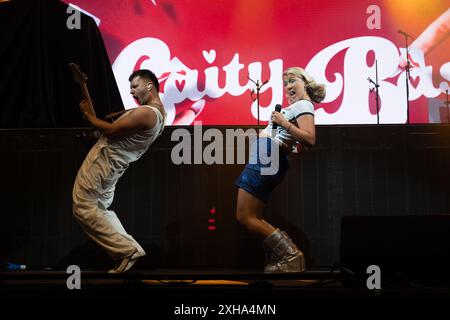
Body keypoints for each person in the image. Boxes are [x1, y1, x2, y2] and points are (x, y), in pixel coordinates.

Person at [72, 69, 166, 273]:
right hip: (111, 166)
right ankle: (128, 251)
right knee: (99, 209)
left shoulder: (148, 113)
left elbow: (110, 130)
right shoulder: (159, 113)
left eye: (135, 86)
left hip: (104, 163)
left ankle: (127, 250)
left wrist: (87, 115)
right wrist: (83, 87)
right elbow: (109, 129)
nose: (131, 92)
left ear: (149, 85)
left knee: (82, 206)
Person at [235, 67, 326, 273]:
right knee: (252, 217)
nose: (288, 87)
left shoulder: (303, 104)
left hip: (267, 156)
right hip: (269, 156)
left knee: (244, 216)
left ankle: (291, 256)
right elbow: (300, 145)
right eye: (285, 84)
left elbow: (310, 138)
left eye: (293, 81)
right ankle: (287, 257)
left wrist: (283, 123)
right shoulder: (298, 107)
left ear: (305, 82)